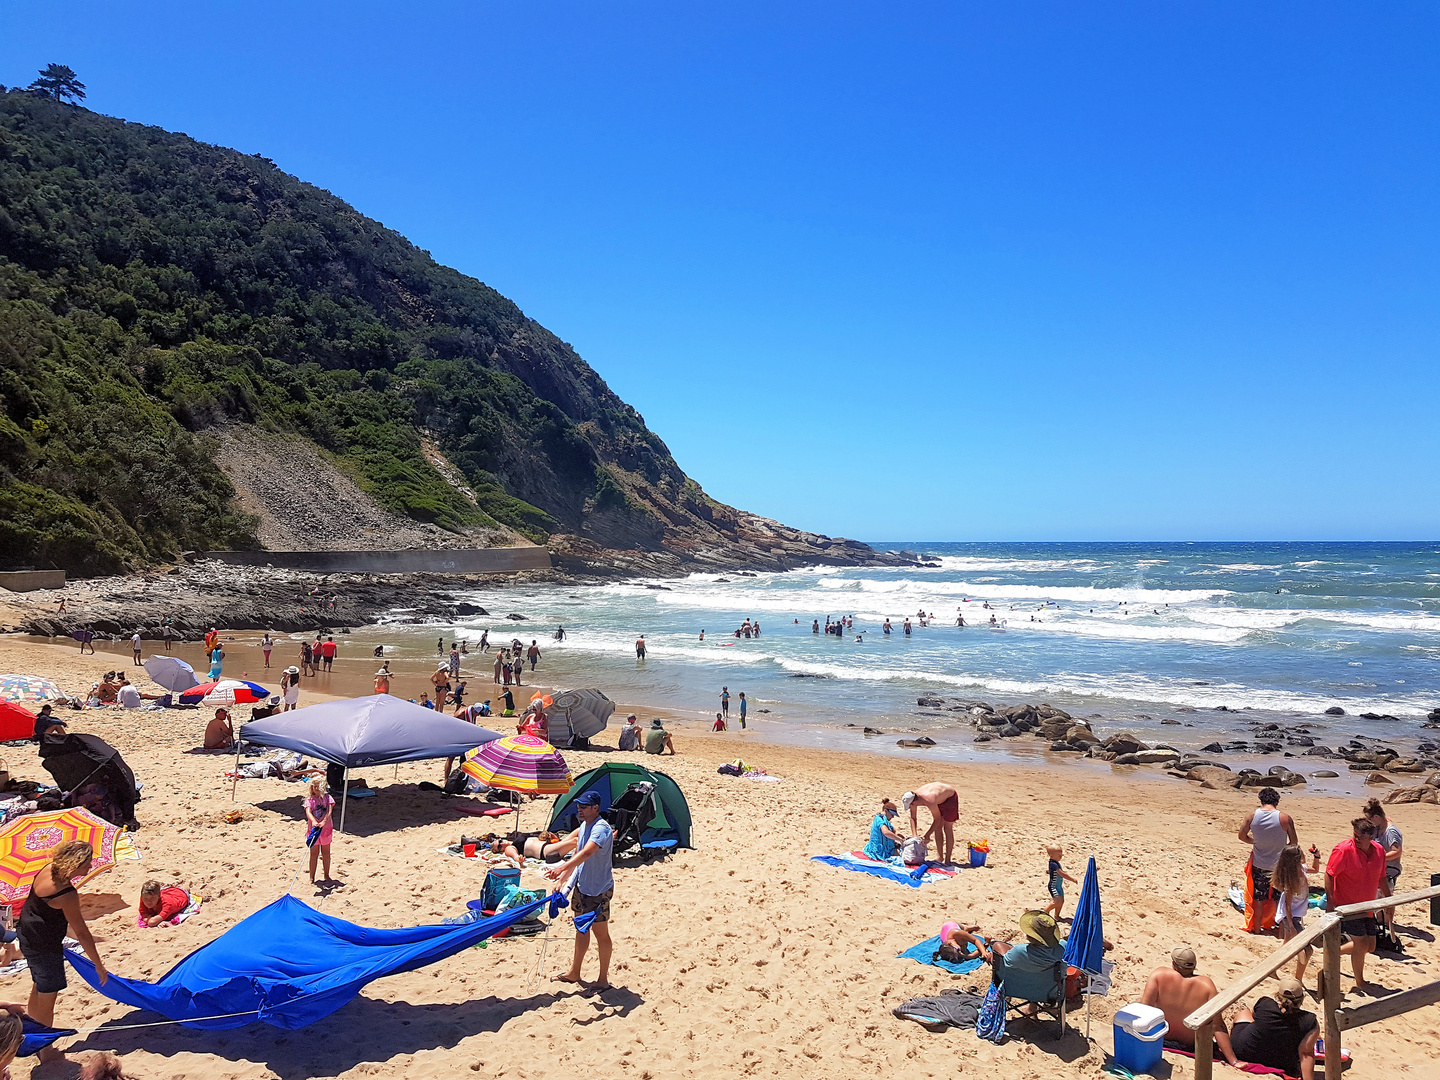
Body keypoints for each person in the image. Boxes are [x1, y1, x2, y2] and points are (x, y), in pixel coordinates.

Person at [20, 840, 108, 1063]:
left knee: (39, 986)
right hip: (45, 946)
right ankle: (44, 1050)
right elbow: (81, 931)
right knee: (48, 998)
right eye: (87, 863)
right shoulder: (66, 893)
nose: (89, 867)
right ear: (76, 863)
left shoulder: (46, 869)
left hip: (27, 935)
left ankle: (29, 1031)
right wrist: (98, 964)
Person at [545, 791, 615, 990]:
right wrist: (563, 880)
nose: (580, 809)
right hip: (582, 886)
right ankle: (575, 972)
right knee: (580, 929)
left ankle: (603, 980)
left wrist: (560, 867)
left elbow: (588, 852)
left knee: (600, 933)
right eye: (579, 806)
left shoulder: (601, 828)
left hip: (598, 890)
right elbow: (577, 855)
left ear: (595, 808)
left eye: (584, 806)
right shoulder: (584, 826)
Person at [1140, 947, 1244, 1067]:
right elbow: (1217, 1026)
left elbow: (1144, 1010)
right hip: (1190, 1046)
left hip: (1162, 1040)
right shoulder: (1206, 985)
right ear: (1194, 966)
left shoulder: (1159, 975)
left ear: (1173, 964)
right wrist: (1233, 1061)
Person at [1325, 815, 1386, 994]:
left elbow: (1382, 877)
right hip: (1347, 905)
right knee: (1360, 943)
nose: (1356, 839)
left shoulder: (1379, 851)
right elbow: (1329, 874)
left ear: (1371, 837)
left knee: (1371, 946)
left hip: (1367, 906)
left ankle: (1333, 952)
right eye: (1355, 835)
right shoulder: (1343, 850)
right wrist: (1330, 901)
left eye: (1360, 837)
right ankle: (1360, 982)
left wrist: (1389, 901)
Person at [1229, 979, 1318, 1080]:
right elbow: (1306, 1054)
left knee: (1244, 1013)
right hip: (1280, 1062)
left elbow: (1254, 1019)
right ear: (1301, 999)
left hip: (1244, 1051)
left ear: (1278, 996)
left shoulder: (1264, 1004)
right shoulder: (1309, 1021)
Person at [1238, 787, 1297, 934]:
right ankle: (1281, 931)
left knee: (1259, 898)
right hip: (1279, 865)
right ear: (1277, 801)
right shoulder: (1285, 818)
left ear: (1261, 800)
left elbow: (1241, 836)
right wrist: (1282, 848)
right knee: (1280, 899)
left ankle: (1257, 929)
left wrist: (1255, 842)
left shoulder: (1252, 817)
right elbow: (1294, 842)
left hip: (1260, 864)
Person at [986, 910, 1065, 1003]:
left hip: (1015, 989)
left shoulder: (1020, 951)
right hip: (1050, 993)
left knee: (997, 945)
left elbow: (1001, 964)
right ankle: (1032, 1009)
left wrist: (991, 957)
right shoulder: (1063, 948)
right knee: (1038, 974)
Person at [1271, 844, 1315, 981]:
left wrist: (1317, 856)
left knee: (1286, 947)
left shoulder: (1301, 870)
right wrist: (1290, 926)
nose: (1304, 854)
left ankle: (1272, 969)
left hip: (1295, 916)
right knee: (1307, 950)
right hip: (1291, 917)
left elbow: (1315, 869)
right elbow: (1287, 905)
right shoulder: (1293, 879)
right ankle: (1298, 978)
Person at [1364, 798, 1403, 947]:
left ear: (1376, 817)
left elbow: (1397, 852)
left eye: (1370, 820)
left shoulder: (1391, 831)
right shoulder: (1379, 827)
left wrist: (1378, 858)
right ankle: (1378, 921)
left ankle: (1388, 925)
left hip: (1389, 870)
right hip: (1378, 868)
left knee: (1386, 897)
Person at [903, 782, 959, 865]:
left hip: (950, 797)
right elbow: (913, 818)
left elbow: (937, 819)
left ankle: (948, 859)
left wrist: (927, 835)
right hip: (939, 799)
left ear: (913, 803)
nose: (911, 807)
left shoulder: (929, 800)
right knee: (937, 828)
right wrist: (915, 835)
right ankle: (940, 856)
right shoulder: (913, 797)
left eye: (910, 806)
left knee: (947, 827)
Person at [304, 778, 335, 886]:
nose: (316, 788)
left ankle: (326, 875)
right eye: (314, 786)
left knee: (326, 853)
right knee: (314, 854)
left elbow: (329, 811)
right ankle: (311, 877)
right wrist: (313, 821)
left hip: (326, 829)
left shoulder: (328, 798)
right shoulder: (310, 799)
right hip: (314, 830)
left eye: (318, 786)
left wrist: (324, 821)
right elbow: (308, 811)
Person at [1043, 844, 1079, 919]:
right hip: (1053, 886)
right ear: (1051, 856)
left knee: (1061, 901)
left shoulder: (1055, 862)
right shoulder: (1053, 863)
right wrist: (1072, 879)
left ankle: (1057, 915)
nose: (1061, 856)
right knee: (1057, 901)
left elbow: (1053, 871)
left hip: (1058, 886)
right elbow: (1062, 874)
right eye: (1059, 855)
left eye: (1061, 854)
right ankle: (1046, 910)